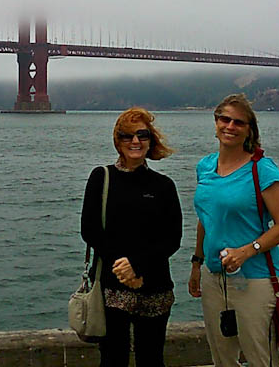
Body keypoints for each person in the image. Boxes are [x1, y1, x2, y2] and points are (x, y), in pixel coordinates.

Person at [188, 94, 279, 367]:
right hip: (214, 277)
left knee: (260, 358)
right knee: (222, 359)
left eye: (239, 122)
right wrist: (197, 263)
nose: (230, 126)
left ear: (249, 129)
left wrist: (247, 252)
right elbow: (206, 219)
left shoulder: (263, 170)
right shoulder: (205, 166)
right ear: (215, 122)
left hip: (255, 279)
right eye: (225, 119)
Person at [80, 107, 183, 367]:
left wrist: (137, 267)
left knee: (152, 359)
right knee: (113, 359)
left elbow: (172, 238)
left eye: (142, 135)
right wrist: (124, 268)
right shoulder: (101, 177)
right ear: (118, 141)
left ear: (151, 140)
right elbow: (90, 231)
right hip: (111, 287)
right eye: (127, 136)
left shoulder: (164, 185)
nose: (135, 141)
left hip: (155, 287)